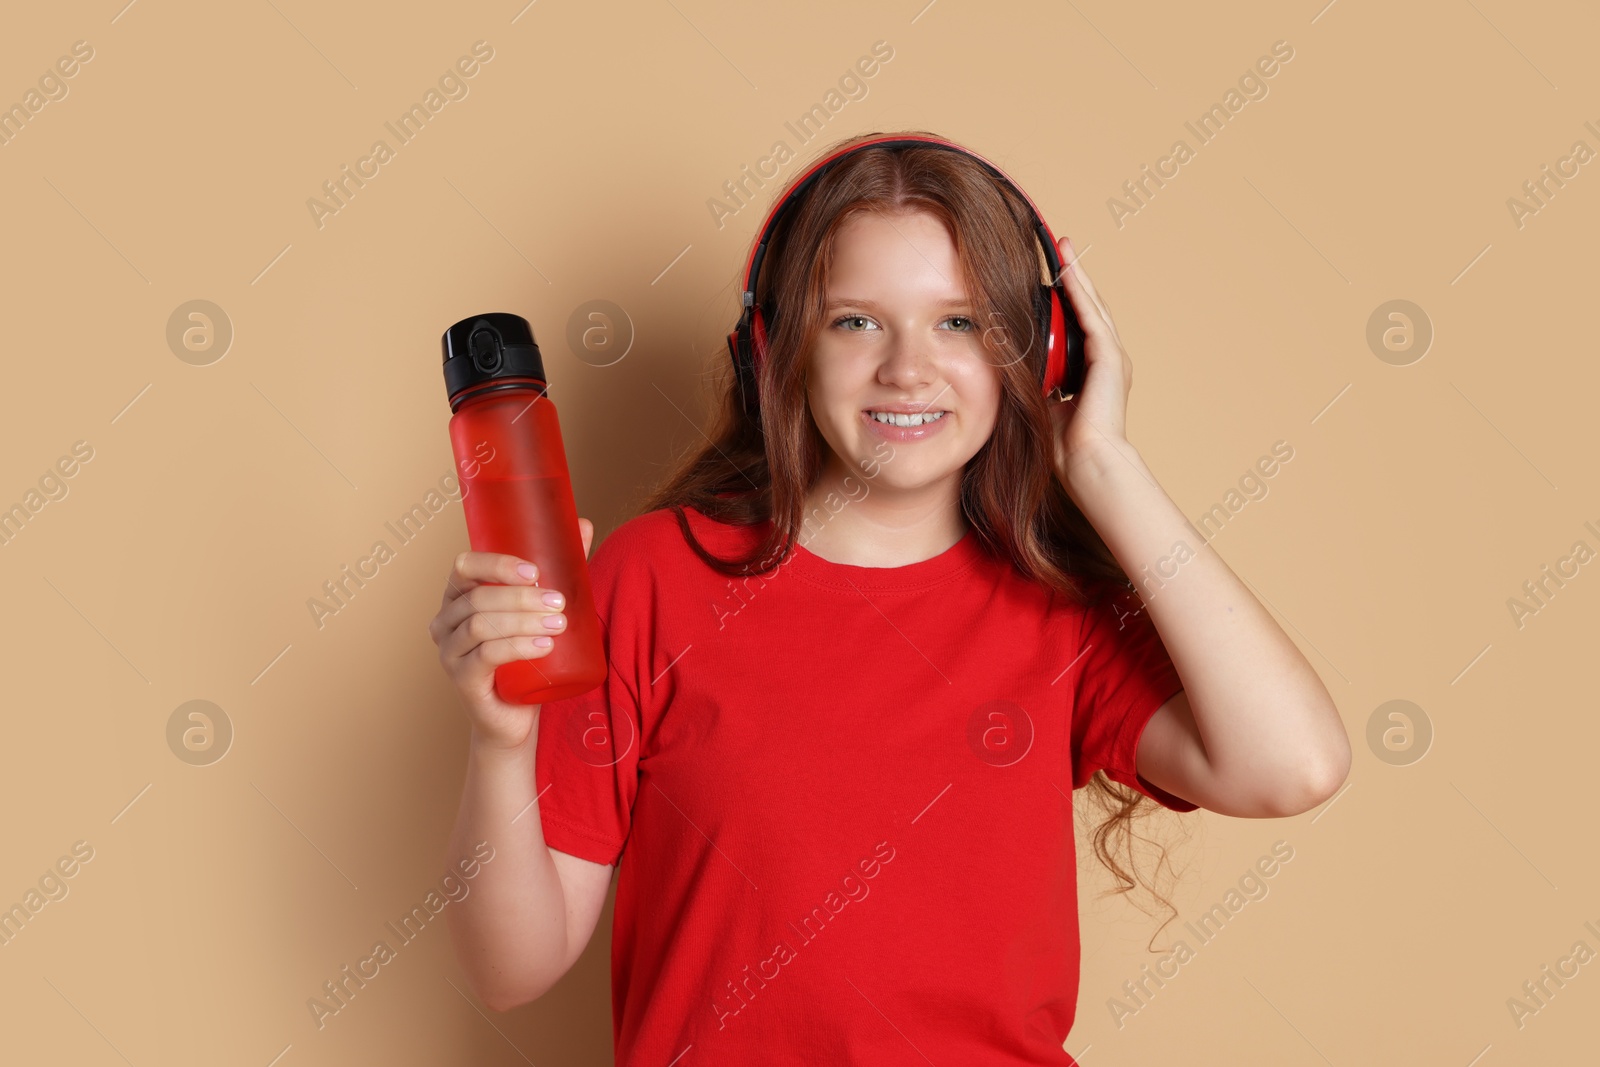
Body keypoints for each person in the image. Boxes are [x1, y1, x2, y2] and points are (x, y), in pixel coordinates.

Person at [427, 130, 1350, 1064]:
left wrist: (1105, 464)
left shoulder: (1060, 605)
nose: (908, 369)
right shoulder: (652, 577)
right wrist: (501, 740)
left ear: (1040, 352)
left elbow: (1295, 765)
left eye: (960, 323)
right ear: (774, 349)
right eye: (856, 321)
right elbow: (513, 969)